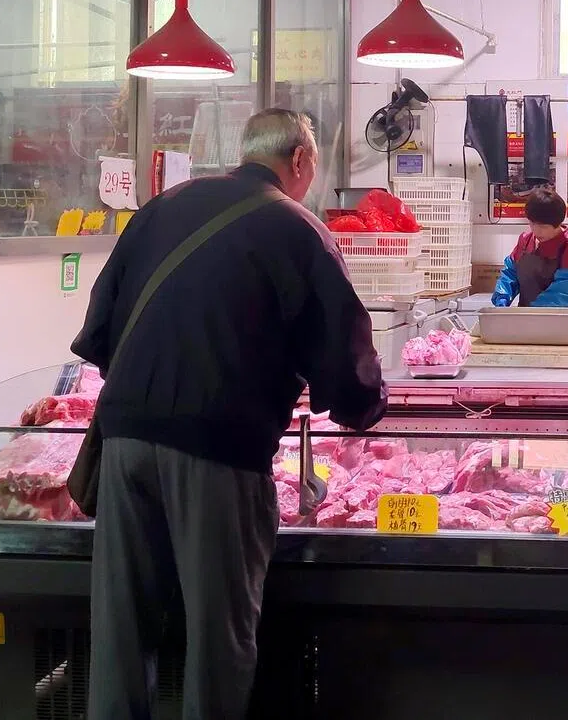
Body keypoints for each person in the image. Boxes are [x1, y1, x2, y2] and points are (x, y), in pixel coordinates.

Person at [72, 108, 386, 720]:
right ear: (299, 160)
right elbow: (344, 363)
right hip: (217, 453)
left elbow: (99, 329)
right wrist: (363, 407)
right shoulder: (299, 229)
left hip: (125, 439)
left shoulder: (161, 209)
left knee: (120, 631)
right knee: (220, 640)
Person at [492, 187, 568, 308]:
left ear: (557, 223)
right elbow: (510, 274)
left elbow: (564, 292)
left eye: (543, 227)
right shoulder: (525, 240)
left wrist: (533, 312)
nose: (536, 231)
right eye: (532, 223)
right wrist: (502, 297)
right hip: (525, 320)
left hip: (558, 321)